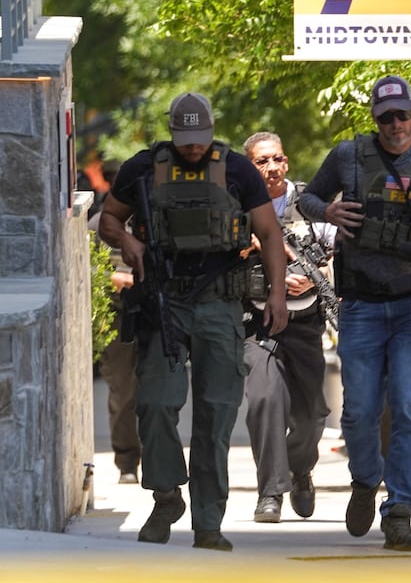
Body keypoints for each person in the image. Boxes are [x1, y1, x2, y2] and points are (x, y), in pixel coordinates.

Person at [98, 92, 288, 552]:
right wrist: (128, 241)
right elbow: (107, 219)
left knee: (216, 413)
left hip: (220, 305)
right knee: (156, 403)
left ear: (210, 130)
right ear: (172, 132)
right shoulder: (143, 167)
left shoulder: (237, 169)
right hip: (163, 299)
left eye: (199, 139)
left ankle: (208, 521)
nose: (193, 148)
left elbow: (269, 232)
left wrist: (277, 294)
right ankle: (166, 496)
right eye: (185, 140)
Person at [298, 75, 411, 552]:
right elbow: (306, 198)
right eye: (386, 117)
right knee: (358, 412)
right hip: (360, 305)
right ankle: (364, 479)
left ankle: (399, 510)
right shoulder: (349, 156)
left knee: (409, 410)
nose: (395, 124)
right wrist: (329, 213)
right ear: (375, 119)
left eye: (402, 115)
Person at [240, 131, 335, 524]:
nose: (272, 167)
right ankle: (270, 493)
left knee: (312, 414)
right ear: (249, 166)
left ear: (288, 161)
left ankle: (300, 469)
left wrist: (315, 278)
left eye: (277, 159)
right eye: (261, 161)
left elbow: (339, 254)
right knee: (265, 400)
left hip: (305, 323)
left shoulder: (310, 205)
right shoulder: (238, 204)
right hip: (256, 323)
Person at [89, 160, 141, 486]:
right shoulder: (96, 226)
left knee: (157, 392)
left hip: (150, 313)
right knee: (123, 393)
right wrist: (113, 277)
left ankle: (159, 456)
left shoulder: (153, 220)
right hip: (117, 319)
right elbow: (85, 270)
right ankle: (127, 461)